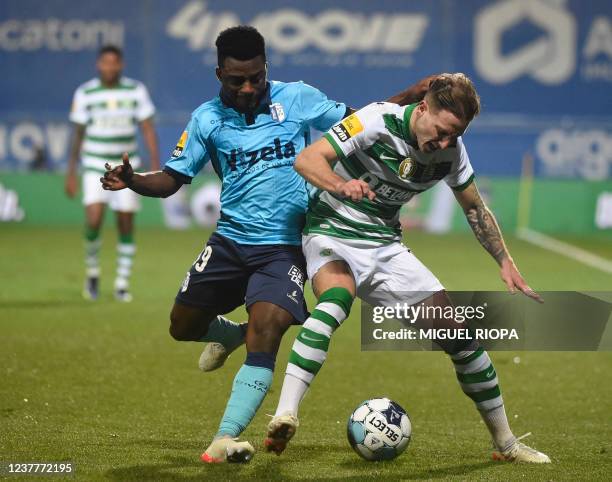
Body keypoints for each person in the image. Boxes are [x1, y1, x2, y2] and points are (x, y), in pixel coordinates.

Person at [100, 25, 433, 463]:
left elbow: (363, 118)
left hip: (284, 248)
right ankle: (231, 334)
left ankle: (225, 436)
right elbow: (172, 179)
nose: (248, 87)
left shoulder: (296, 97)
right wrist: (133, 181)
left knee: (269, 329)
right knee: (182, 326)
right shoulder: (206, 119)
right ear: (219, 74)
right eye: (237, 79)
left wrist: (410, 93)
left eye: (256, 76)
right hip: (229, 243)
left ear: (266, 68)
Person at [266, 73, 551, 464]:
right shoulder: (376, 120)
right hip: (331, 231)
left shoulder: (451, 151)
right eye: (443, 130)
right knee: (335, 301)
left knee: (462, 339)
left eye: (456, 135)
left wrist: (505, 261)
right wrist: (338, 185)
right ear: (422, 109)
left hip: (386, 247)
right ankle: (285, 414)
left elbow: (473, 207)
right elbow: (308, 159)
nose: (446, 142)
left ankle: (507, 444)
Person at [65, 45, 160, 302]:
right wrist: (71, 171)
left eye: (114, 63)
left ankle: (121, 283)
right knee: (94, 220)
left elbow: (148, 128)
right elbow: (78, 134)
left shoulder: (135, 90)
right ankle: (93, 273)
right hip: (95, 165)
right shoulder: (86, 93)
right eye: (105, 63)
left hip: (127, 169)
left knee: (126, 222)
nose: (109, 67)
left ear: (121, 65)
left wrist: (154, 165)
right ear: (99, 65)